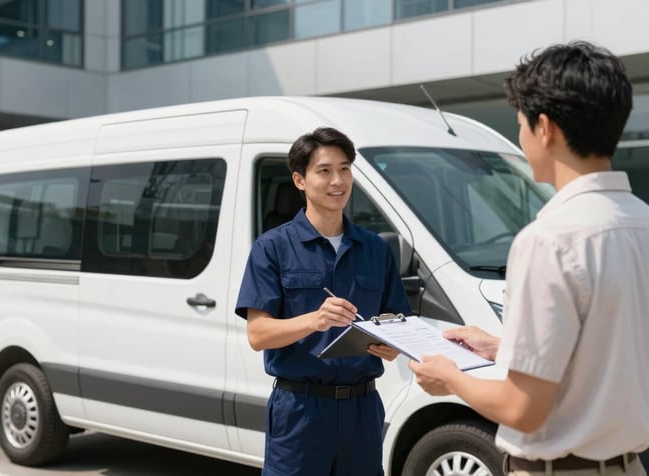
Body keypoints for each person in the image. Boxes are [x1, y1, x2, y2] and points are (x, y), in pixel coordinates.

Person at [408, 41, 649, 475]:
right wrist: (504, 349)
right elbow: (610, 350)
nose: (521, 136)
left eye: (520, 124)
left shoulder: (548, 239)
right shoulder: (641, 223)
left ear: (545, 127)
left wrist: (450, 379)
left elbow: (522, 409)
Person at [235, 126, 411, 476]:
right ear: (300, 180)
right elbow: (258, 335)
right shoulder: (272, 248)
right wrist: (315, 320)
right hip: (300, 410)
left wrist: (393, 347)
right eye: (325, 171)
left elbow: (399, 322)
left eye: (345, 169)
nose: (338, 181)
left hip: (362, 409)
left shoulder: (375, 248)